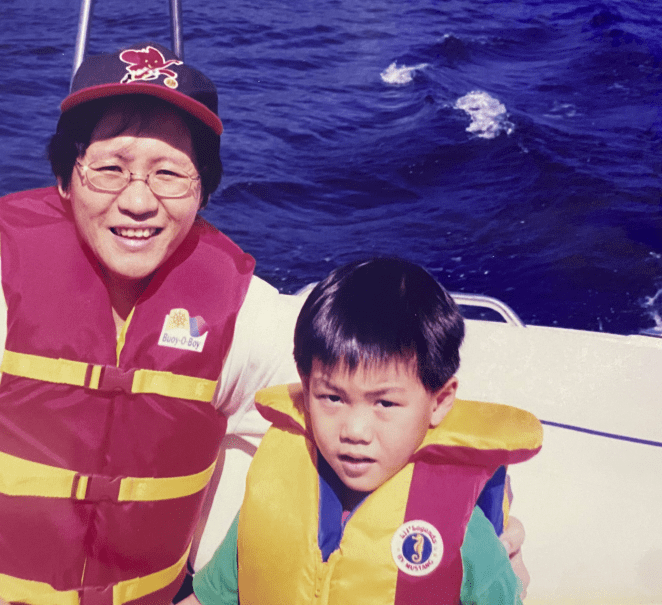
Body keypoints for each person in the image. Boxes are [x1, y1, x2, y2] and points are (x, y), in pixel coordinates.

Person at [0, 44, 528, 605]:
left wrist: (477, 513)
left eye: (169, 173)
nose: (137, 199)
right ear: (66, 179)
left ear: (202, 192)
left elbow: (373, 393)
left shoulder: (248, 320)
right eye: (110, 167)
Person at [182, 257, 543, 605]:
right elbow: (209, 597)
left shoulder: (467, 536)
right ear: (306, 389)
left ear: (440, 401)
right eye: (332, 398)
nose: (354, 431)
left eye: (384, 403)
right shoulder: (273, 494)